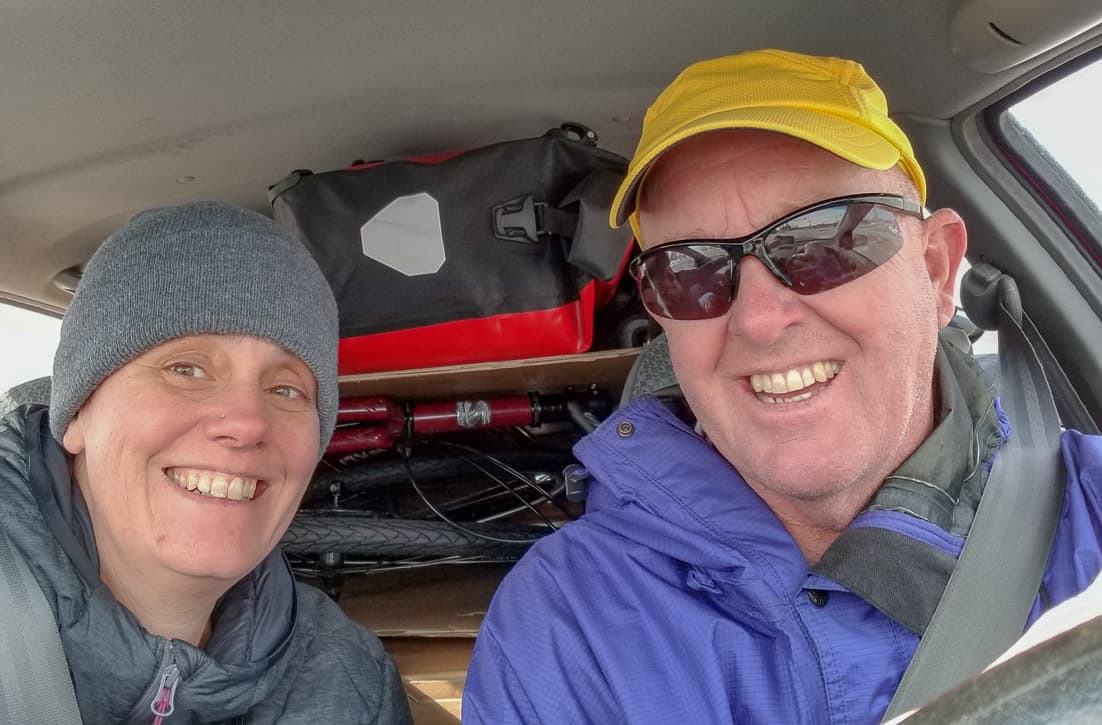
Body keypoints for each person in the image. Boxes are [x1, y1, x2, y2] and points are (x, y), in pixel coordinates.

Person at [463, 49, 1102, 724]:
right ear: (659, 313)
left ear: (938, 270)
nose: (761, 321)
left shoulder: (1085, 516)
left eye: (823, 241)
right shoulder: (569, 630)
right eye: (692, 271)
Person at [0, 202, 412, 723]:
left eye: (285, 388)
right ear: (78, 412)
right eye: (187, 369)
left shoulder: (350, 680)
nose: (246, 422)